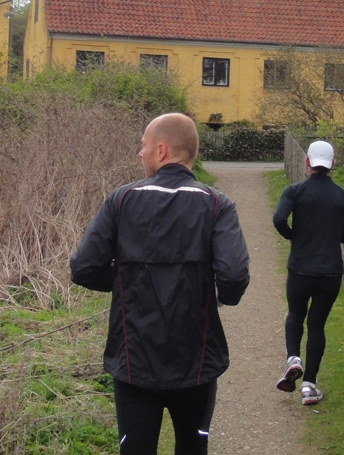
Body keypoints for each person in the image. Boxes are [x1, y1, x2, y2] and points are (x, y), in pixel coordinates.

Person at [70, 112, 250, 454]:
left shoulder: (121, 200)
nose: (140, 153)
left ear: (162, 150)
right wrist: (213, 296)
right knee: (192, 449)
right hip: (196, 363)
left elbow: (83, 267)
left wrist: (124, 281)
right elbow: (234, 276)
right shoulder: (216, 205)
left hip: (134, 364)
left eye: (144, 146)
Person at [272, 139, 344, 406]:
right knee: (317, 325)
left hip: (300, 268)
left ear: (307, 163)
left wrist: (294, 236)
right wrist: (335, 235)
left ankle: (293, 358)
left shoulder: (294, 192)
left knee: (295, 314)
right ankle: (309, 387)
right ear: (333, 164)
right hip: (329, 273)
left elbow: (279, 219)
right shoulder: (343, 197)